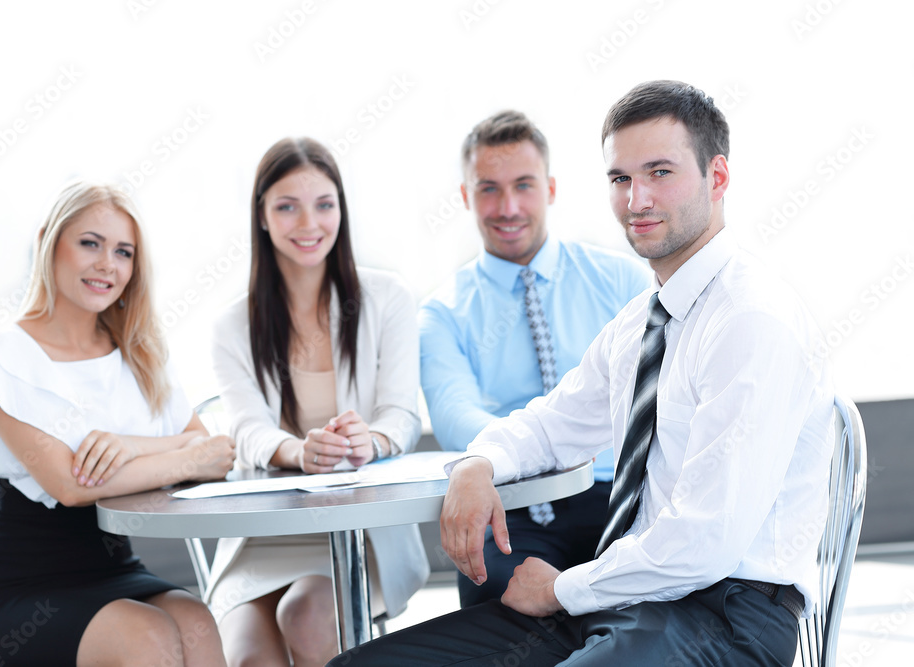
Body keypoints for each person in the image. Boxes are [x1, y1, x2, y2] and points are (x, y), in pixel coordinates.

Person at [330, 80, 835, 666]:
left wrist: (562, 589)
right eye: (620, 179)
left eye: (660, 173)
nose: (636, 199)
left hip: (726, 616)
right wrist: (479, 462)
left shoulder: (750, 320)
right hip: (634, 600)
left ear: (717, 178)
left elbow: (705, 542)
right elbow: (554, 423)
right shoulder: (642, 321)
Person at [0, 182, 235, 666]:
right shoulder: (2, 362)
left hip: (117, 568)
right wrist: (182, 455)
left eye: (123, 252)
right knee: (145, 634)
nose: (108, 264)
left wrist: (127, 444)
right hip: (24, 585)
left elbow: (215, 456)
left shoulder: (138, 355)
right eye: (90, 243)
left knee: (197, 622)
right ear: (47, 242)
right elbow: (72, 485)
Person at [205, 137, 429, 667]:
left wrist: (369, 441)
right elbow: (245, 429)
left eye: (324, 204)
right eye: (287, 206)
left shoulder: (386, 298)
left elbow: (402, 414)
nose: (309, 223)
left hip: (357, 531)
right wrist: (296, 452)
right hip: (266, 533)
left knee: (305, 617)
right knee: (247, 660)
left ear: (341, 210)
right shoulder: (232, 326)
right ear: (261, 216)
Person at [419, 110, 651, 607]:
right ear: (465, 196)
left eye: (523, 185)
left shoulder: (624, 281)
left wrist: (567, 442)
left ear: (549, 188)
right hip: (511, 507)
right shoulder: (442, 313)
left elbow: (654, 397)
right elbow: (455, 417)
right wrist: (525, 452)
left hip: (618, 495)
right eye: (488, 189)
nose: (508, 207)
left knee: (642, 608)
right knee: (503, 606)